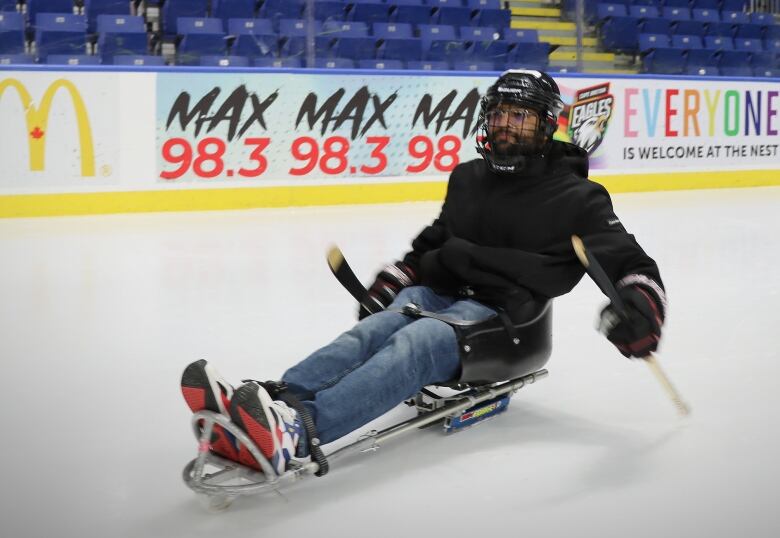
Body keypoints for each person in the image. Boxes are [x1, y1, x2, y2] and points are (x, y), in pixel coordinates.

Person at [180, 69, 667, 476]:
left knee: (415, 343)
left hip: (508, 320)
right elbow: (432, 242)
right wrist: (395, 280)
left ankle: (296, 431)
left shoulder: (577, 197)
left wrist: (639, 309)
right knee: (375, 328)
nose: (503, 125)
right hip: (442, 291)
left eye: (518, 116)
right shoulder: (469, 178)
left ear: (545, 126)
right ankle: (275, 400)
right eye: (497, 114)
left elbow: (633, 266)